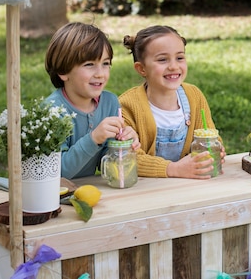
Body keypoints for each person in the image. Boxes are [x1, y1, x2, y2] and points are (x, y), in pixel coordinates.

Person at [120, 25, 225, 179]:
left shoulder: (194, 96)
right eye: (162, 60)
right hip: (147, 191)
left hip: (191, 186)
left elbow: (209, 136)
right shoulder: (127, 106)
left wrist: (217, 149)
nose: (174, 66)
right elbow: (128, 157)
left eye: (180, 58)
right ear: (142, 69)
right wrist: (173, 169)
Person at [44, 22, 139, 179]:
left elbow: (106, 167)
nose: (100, 74)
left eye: (106, 64)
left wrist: (123, 146)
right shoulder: (53, 111)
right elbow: (57, 173)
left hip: (88, 191)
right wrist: (94, 138)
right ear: (63, 71)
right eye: (89, 65)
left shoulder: (110, 102)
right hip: (53, 197)